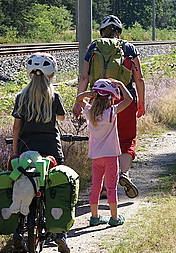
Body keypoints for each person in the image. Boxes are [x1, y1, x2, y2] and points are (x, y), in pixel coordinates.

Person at [73, 14, 145, 199]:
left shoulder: (93, 48)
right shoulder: (128, 48)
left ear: (101, 31)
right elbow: (139, 78)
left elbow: (84, 77)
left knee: (103, 141)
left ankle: (105, 187)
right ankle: (124, 174)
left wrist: (78, 103)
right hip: (124, 99)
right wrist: (141, 103)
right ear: (119, 31)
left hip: (98, 101)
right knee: (127, 139)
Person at [11, 52, 70, 253]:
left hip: (26, 151)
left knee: (19, 186)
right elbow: (61, 118)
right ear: (52, 74)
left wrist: (14, 152)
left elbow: (16, 129)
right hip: (51, 150)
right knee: (57, 186)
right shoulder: (54, 96)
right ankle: (59, 233)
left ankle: (18, 231)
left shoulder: (21, 97)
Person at [75, 78, 133, 227]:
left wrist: (90, 93)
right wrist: (120, 84)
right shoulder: (111, 112)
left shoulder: (90, 112)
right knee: (111, 187)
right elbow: (129, 99)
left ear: (96, 98)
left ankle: (94, 217)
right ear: (110, 98)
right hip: (111, 156)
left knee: (96, 186)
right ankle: (114, 217)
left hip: (96, 157)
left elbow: (79, 99)